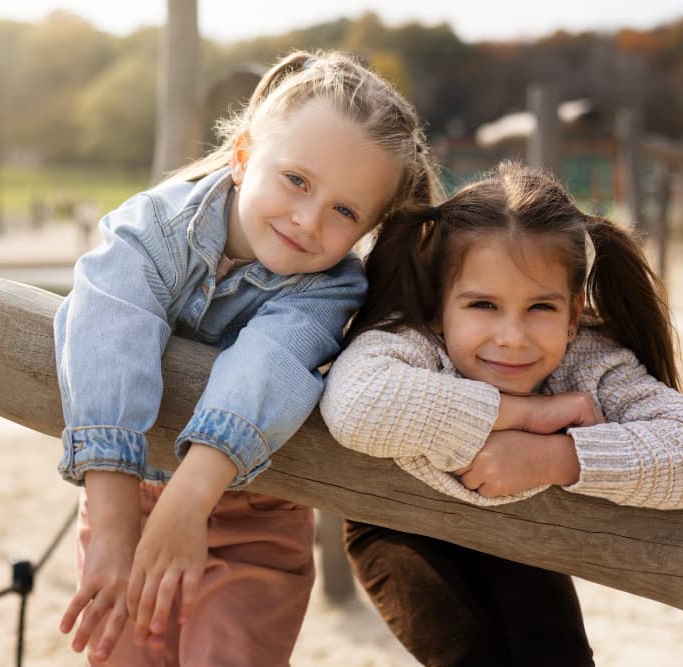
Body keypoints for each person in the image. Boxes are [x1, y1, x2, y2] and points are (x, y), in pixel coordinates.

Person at [53, 49, 440, 666]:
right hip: (124, 490)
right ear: (242, 156)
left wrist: (188, 501)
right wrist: (114, 520)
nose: (308, 220)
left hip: (256, 519)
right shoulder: (152, 228)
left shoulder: (330, 287)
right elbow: (108, 327)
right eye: (297, 180)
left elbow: (270, 361)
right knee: (123, 651)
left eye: (345, 211)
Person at [320, 161, 683, 667]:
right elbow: (355, 405)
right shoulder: (411, 340)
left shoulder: (590, 363)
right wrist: (528, 413)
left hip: (522, 525)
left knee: (560, 656)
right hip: (398, 521)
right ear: (438, 308)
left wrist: (555, 457)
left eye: (541, 308)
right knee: (472, 655)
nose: (512, 337)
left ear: (571, 316)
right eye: (482, 305)